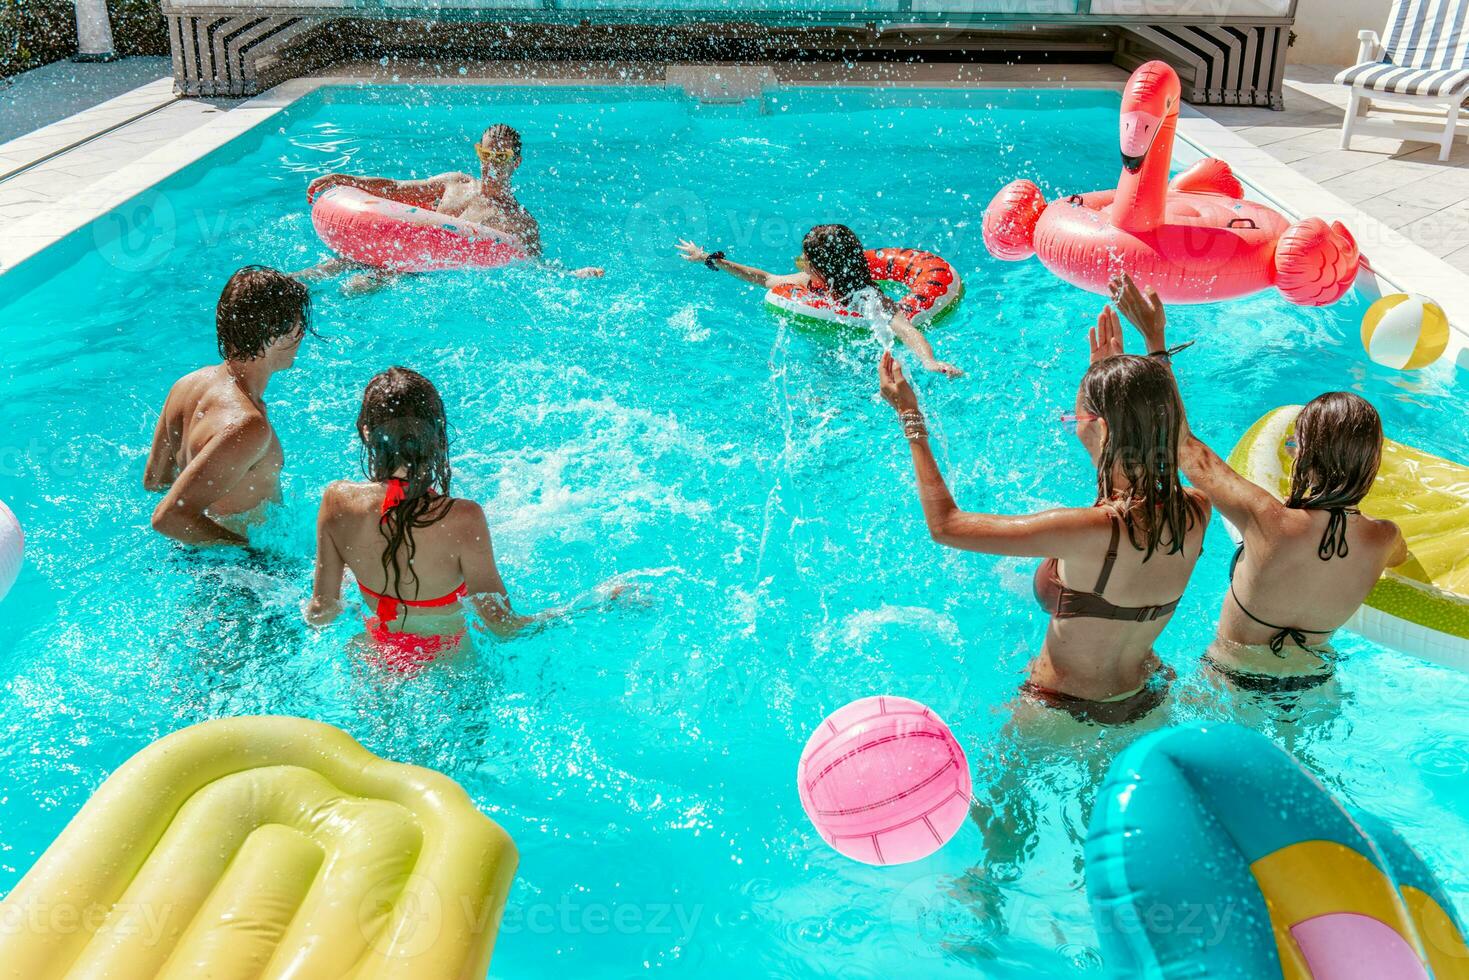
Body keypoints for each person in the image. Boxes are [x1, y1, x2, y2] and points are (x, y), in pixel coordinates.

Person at [877, 315, 1209, 726]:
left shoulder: (1081, 530)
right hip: (1147, 698)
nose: (1073, 427)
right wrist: (1126, 382)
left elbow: (946, 525)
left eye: (1076, 421)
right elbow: (1153, 464)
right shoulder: (1195, 510)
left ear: (1103, 431)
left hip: (1060, 714)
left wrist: (910, 418)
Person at [1109, 273, 1408, 691]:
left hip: (1232, 683)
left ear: (1303, 454)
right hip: (1314, 686)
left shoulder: (1268, 519)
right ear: (1370, 465)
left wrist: (1155, 342)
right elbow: (1397, 559)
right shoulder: (1384, 538)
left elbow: (1184, 448)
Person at [305, 367, 625, 669]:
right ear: (437, 435)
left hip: (375, 658)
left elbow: (322, 612)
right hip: (449, 664)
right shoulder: (463, 519)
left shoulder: (336, 502)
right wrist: (595, 604)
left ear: (365, 433)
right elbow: (504, 626)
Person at [300, 123, 604, 290]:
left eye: (501, 158)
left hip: (419, 272)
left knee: (355, 288)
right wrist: (348, 178)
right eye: (485, 154)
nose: (491, 164)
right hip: (392, 246)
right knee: (319, 271)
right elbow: (397, 189)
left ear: (516, 162)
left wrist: (573, 274)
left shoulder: (520, 223)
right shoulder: (454, 183)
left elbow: (533, 269)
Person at [144, 266, 311, 545]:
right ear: (272, 334)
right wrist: (251, 557)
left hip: (205, 560)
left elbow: (156, 482)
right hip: (241, 574)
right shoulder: (248, 424)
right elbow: (168, 517)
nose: (302, 336)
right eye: (297, 327)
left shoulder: (186, 385)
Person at [676, 224, 962, 376]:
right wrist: (709, 259)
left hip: (863, 358)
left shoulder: (869, 297)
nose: (802, 264)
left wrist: (929, 361)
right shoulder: (811, 283)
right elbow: (764, 278)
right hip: (828, 347)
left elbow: (906, 328)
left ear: (821, 267)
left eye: (806, 260)